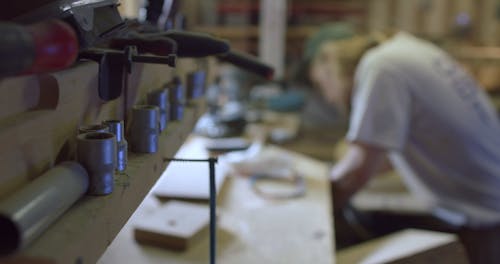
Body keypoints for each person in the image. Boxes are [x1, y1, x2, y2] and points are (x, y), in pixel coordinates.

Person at [305, 23, 500, 263]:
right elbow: (383, 159)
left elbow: (358, 170)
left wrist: (312, 208)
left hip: (482, 218)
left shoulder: (381, 66)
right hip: (488, 199)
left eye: (321, 84)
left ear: (329, 66)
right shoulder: (407, 49)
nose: (328, 97)